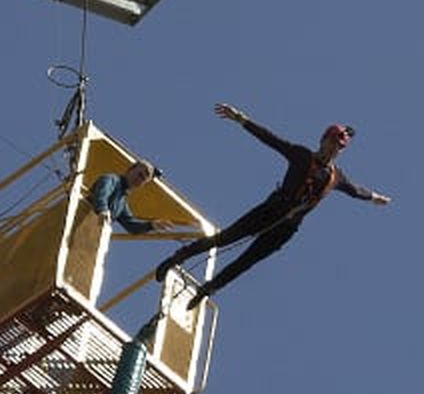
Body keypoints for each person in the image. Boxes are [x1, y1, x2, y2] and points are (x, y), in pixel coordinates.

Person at [155, 103, 391, 309]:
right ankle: (177, 258)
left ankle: (208, 289)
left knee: (248, 260)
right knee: (225, 238)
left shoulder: (336, 177)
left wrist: (374, 197)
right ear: (323, 140)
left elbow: (355, 190)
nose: (334, 149)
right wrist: (242, 120)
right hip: (270, 210)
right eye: (332, 142)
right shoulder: (301, 155)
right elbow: (271, 139)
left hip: (286, 228)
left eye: (339, 147)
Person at [89, 160, 172, 233]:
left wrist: (151, 225)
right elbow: (101, 195)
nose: (139, 179)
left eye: (143, 179)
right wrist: (102, 210)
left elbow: (131, 225)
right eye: (139, 174)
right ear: (130, 170)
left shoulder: (121, 202)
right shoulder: (111, 180)